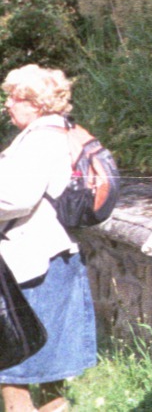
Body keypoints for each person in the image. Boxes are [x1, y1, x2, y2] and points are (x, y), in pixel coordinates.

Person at [0, 66, 98, 412]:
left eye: (16, 98)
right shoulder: (61, 131)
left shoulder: (40, 139)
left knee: (15, 364)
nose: (8, 105)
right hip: (54, 257)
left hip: (33, 261)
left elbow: (16, 197)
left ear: (36, 104)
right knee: (48, 362)